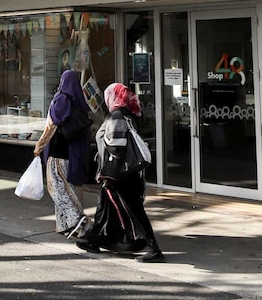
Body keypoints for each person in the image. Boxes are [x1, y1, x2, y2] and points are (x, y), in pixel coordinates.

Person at [76, 82, 165, 263]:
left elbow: (117, 146)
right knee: (105, 210)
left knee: (133, 211)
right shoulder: (128, 115)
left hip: (119, 175)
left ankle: (153, 248)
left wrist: (105, 142)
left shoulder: (116, 116)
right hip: (120, 175)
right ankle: (95, 239)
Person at [33, 70, 91, 238]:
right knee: (70, 188)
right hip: (74, 153)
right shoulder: (79, 101)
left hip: (58, 153)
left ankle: (77, 221)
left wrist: (40, 145)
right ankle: (64, 225)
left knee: (57, 189)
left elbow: (51, 126)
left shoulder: (62, 99)